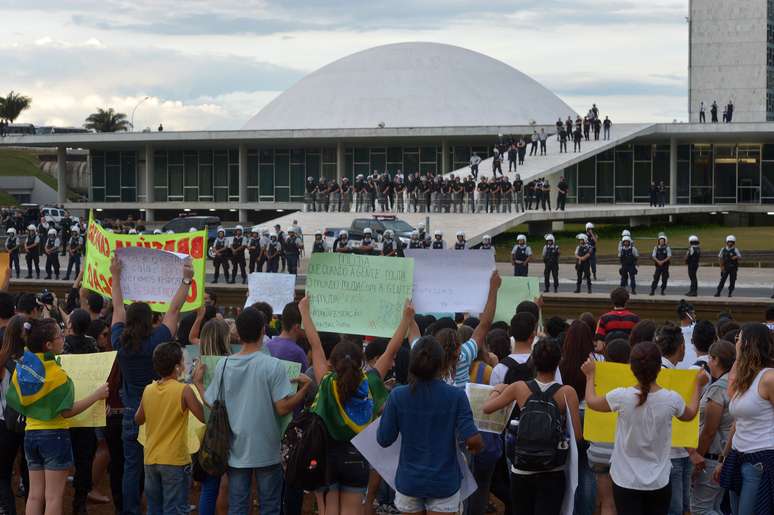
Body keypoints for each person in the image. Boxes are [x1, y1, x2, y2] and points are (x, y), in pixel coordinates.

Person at [301, 296, 414, 515]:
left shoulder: (325, 382)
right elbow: (391, 350)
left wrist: (305, 312)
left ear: (331, 363)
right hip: (357, 457)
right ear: (361, 361)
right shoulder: (370, 382)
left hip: (326, 456)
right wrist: (406, 319)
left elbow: (315, 345)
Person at [197, 307, 311, 515]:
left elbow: (212, 404)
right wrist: (304, 390)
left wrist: (198, 384)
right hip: (267, 449)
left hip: (236, 449)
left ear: (238, 333)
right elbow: (282, 407)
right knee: (269, 507)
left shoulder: (223, 365)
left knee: (238, 507)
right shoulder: (273, 366)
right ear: (262, 331)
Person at [109, 255, 193, 515]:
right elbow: (174, 310)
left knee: (131, 467)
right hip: (159, 412)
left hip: (131, 413)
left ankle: (130, 511)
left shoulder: (119, 343)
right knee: (161, 463)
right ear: (150, 320)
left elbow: (117, 309)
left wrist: (116, 276)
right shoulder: (157, 340)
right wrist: (186, 279)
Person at [581, 341, 703, 515]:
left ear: (632, 368)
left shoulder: (621, 396)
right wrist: (697, 385)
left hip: (625, 480)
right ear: (659, 368)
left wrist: (590, 375)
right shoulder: (671, 399)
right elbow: (690, 414)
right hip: (659, 481)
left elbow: (592, 402)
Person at [7, 318, 109, 515]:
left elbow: (16, 399)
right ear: (48, 345)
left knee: (34, 495)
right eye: (59, 336)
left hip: (30, 435)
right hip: (54, 436)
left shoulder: (22, 368)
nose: (63, 339)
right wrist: (97, 395)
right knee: (53, 497)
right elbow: (67, 411)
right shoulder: (57, 374)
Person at [377, 336, 483, 515]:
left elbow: (384, 439)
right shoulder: (456, 396)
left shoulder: (397, 396)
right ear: (442, 364)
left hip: (409, 480)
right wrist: (473, 447)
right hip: (444, 481)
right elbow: (473, 439)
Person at [483, 338, 582, 515]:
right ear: (559, 361)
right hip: (553, 468)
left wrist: (498, 389)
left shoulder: (518, 388)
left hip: (522, 467)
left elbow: (487, 408)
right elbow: (577, 436)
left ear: (533, 361)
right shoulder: (567, 392)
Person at [134, 342, 204, 515]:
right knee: (176, 509)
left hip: (151, 458)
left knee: (154, 508)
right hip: (175, 460)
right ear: (177, 366)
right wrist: (199, 384)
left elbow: (138, 419)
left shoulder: (148, 389)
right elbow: (203, 417)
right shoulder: (184, 390)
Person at [717, 323, 774, 514]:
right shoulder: (747, 376)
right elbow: (738, 423)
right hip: (738, 456)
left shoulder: (769, 378)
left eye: (738, 339)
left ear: (749, 343)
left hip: (761, 459)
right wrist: (723, 458)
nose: (736, 344)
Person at [586, 339, 631, 515]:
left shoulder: (596, 376)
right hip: (625, 452)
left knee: (607, 503)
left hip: (600, 451)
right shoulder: (635, 381)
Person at [690, 340, 734, 515]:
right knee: (714, 507)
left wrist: (697, 457)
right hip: (723, 456)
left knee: (700, 509)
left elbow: (709, 431)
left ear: (715, 360)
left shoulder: (718, 389)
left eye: (710, 359)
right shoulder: (734, 383)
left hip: (711, 457)